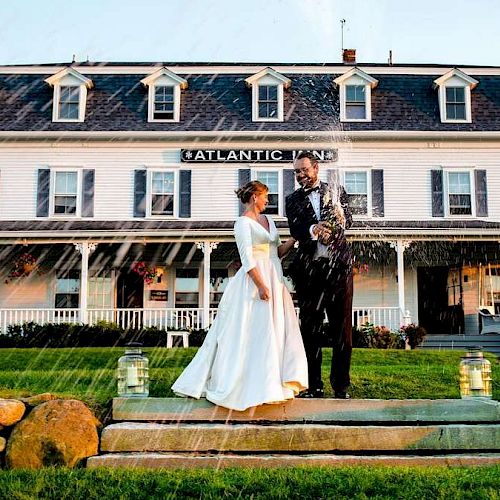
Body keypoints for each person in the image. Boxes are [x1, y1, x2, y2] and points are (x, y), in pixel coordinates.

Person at [172, 180, 308, 411]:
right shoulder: (242, 223)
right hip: (255, 283)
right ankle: (248, 385)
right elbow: (247, 259)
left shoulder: (270, 220)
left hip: (274, 276)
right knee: (255, 332)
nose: (268, 200)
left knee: (275, 331)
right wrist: (261, 285)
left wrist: (295, 238)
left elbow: (277, 252)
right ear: (254, 197)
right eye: (265, 196)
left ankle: (275, 384)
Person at [285, 151, 353, 399]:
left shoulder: (335, 191)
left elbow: (349, 220)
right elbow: (296, 228)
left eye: (304, 169)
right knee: (310, 329)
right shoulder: (291, 199)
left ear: (315, 168)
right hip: (309, 272)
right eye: (297, 171)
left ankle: (341, 386)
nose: (300, 175)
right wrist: (314, 229)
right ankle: (314, 385)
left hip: (339, 270)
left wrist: (333, 229)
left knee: (342, 330)